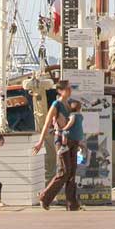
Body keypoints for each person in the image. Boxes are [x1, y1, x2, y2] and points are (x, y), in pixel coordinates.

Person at [33, 79, 83, 211]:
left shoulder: (70, 104)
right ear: (60, 91)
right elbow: (47, 123)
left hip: (73, 140)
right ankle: (45, 196)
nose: (70, 90)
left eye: (70, 88)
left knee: (72, 172)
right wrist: (40, 142)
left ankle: (72, 204)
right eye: (67, 88)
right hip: (62, 140)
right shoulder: (57, 104)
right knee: (64, 171)